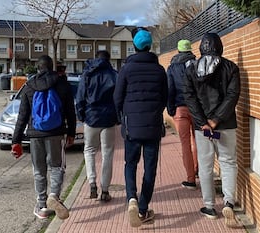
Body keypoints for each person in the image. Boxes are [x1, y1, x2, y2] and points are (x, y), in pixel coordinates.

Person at [183, 32, 240, 227]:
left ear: (201, 47)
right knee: (228, 162)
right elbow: (233, 95)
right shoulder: (231, 67)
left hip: (202, 128)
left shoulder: (191, 69)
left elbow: (189, 98)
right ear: (220, 46)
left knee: (206, 166)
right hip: (226, 124)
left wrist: (203, 122)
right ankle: (229, 202)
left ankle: (209, 206)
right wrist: (216, 119)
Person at [11, 55, 76, 220]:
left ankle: (42, 206)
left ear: (38, 68)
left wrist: (16, 141)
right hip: (56, 133)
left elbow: (23, 115)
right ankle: (54, 195)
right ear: (52, 67)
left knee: (39, 170)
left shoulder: (29, 86)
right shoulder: (62, 84)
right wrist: (71, 133)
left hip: (35, 134)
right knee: (57, 167)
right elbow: (70, 111)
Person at [113, 27, 167, 228]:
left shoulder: (126, 69)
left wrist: (123, 116)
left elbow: (117, 97)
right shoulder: (159, 69)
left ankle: (131, 200)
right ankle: (143, 208)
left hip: (131, 127)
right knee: (150, 167)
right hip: (152, 126)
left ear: (134, 46)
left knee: (130, 163)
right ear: (150, 46)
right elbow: (165, 97)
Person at [75, 50, 118, 202]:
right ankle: (105, 190)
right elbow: (118, 98)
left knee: (89, 150)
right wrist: (117, 117)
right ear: (109, 60)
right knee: (108, 153)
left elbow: (80, 97)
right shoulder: (114, 74)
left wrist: (81, 115)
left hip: (91, 116)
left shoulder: (87, 74)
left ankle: (91, 181)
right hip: (109, 118)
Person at [166, 39, 198, 190]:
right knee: (198, 141)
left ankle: (190, 179)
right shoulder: (197, 64)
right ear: (190, 50)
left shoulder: (172, 67)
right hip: (197, 108)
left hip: (180, 109)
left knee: (185, 143)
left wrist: (171, 109)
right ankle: (198, 170)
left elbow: (169, 89)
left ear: (178, 51)